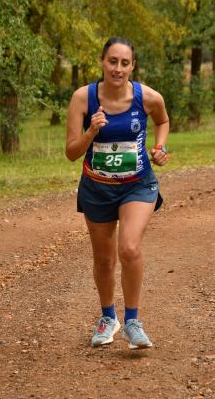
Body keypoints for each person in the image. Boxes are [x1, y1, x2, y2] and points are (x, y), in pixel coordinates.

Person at [65, 37, 170, 349]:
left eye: (125, 63)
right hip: (97, 188)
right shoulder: (82, 99)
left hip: (137, 184)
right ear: (102, 62)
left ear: (132, 66)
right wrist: (91, 131)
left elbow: (163, 121)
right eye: (113, 61)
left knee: (129, 248)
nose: (118, 68)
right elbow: (71, 152)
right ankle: (108, 317)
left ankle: (133, 322)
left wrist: (160, 146)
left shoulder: (148, 97)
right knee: (104, 259)